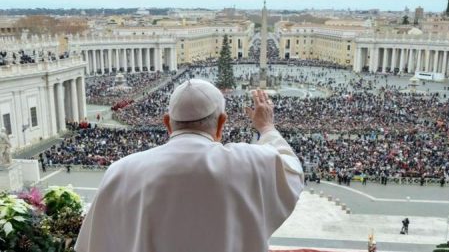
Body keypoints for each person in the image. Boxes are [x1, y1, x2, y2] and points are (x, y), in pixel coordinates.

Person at [75, 80, 304, 252]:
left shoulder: (120, 171)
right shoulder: (249, 163)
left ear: (167, 123)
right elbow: (292, 169)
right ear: (222, 123)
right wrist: (266, 128)